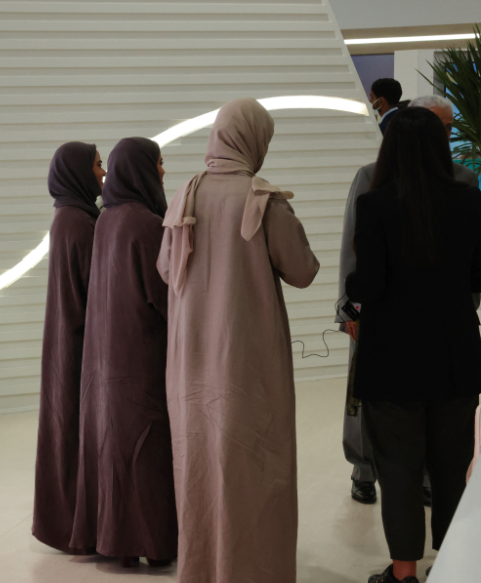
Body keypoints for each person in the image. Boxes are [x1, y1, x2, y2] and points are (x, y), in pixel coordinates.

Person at [158, 98, 320, 583]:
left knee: (198, 466)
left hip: (191, 362)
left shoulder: (185, 194)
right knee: (256, 467)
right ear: (254, 140)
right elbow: (303, 271)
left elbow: (167, 269)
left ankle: (203, 570)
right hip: (249, 364)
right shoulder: (262, 199)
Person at [345, 107, 481, 583]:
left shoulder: (376, 205)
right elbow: (477, 277)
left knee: (398, 470)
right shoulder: (469, 202)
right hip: (456, 356)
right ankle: (452, 565)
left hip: (392, 360)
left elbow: (368, 286)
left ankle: (404, 573)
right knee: (452, 466)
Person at [70, 137, 178, 567]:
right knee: (146, 454)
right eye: (159, 163)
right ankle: (152, 544)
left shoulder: (106, 220)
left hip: (106, 361)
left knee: (115, 452)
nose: (164, 172)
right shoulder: (148, 226)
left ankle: (115, 540)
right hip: (140, 358)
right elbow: (165, 297)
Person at [32, 142, 105, 554]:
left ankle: (70, 524)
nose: (103, 173)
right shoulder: (79, 223)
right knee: (76, 433)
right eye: (97, 164)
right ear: (77, 171)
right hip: (77, 344)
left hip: (67, 340)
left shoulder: (70, 217)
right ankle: (77, 527)